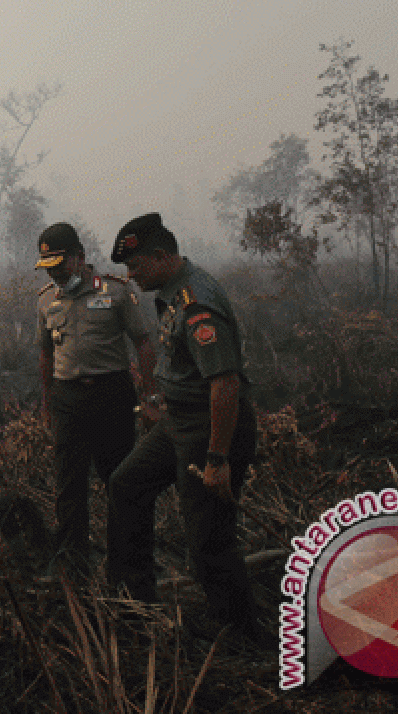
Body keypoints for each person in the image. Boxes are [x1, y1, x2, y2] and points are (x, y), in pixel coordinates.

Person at [106, 212, 260, 636]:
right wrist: (158, 400)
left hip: (210, 427)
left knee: (207, 536)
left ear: (160, 257)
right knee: (126, 484)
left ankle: (235, 628)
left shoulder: (196, 302)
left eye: (135, 267)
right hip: (178, 421)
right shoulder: (171, 291)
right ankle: (135, 597)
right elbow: (182, 365)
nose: (131, 276)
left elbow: (225, 383)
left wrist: (216, 457)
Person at [36, 222, 157, 579]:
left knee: (118, 480)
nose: (56, 273)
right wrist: (47, 405)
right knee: (68, 483)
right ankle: (72, 562)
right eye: (48, 267)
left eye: (60, 264)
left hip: (111, 396)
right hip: (67, 398)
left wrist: (149, 394)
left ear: (80, 257)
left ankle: (126, 566)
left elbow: (144, 343)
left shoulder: (116, 293)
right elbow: (45, 355)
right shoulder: (46, 299)